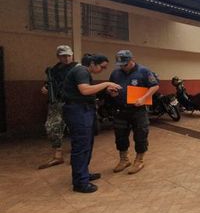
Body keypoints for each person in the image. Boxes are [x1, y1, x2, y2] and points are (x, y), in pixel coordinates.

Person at [62, 54, 121, 193]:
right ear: (93, 63)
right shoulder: (81, 70)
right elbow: (85, 90)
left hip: (84, 110)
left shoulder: (84, 72)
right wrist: (107, 83)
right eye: (102, 67)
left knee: (87, 144)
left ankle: (83, 174)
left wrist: (106, 91)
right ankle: (80, 182)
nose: (102, 70)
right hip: (78, 111)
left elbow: (89, 92)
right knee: (81, 146)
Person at [109, 50, 159, 174]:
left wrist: (144, 98)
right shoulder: (115, 73)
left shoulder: (144, 71)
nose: (123, 67)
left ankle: (139, 160)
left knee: (140, 135)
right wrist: (111, 92)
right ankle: (124, 159)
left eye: (125, 64)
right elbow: (110, 87)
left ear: (132, 60)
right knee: (120, 136)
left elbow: (154, 86)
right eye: (120, 65)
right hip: (120, 109)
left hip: (138, 111)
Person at [39, 45, 78, 169]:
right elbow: (49, 83)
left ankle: (77, 153)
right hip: (56, 102)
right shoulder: (54, 70)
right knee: (52, 126)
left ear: (72, 55)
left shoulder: (77, 68)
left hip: (73, 102)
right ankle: (58, 155)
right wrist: (45, 88)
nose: (66, 58)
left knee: (75, 127)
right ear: (58, 57)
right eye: (63, 56)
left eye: (68, 55)